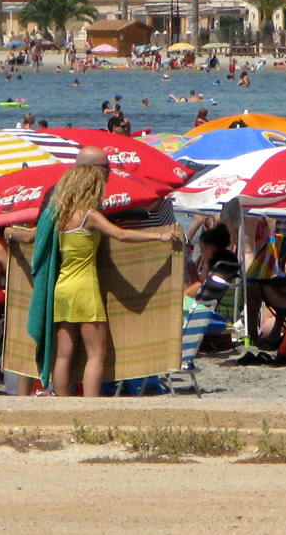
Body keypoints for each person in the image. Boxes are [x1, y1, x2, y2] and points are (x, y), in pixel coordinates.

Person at [28, 162, 182, 397]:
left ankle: (61, 403)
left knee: (63, 354)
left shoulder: (59, 216)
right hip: (84, 287)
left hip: (62, 287)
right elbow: (120, 234)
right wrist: (159, 236)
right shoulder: (89, 215)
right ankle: (91, 406)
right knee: (96, 353)